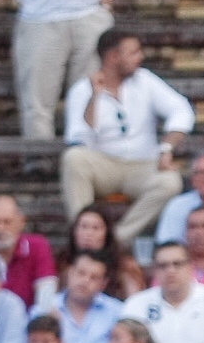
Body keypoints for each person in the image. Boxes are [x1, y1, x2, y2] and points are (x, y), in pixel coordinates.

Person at [61, 28, 194, 245]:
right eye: (133, 52)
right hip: (103, 165)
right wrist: (95, 98)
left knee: (170, 182)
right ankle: (84, 235)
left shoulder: (145, 80)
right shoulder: (82, 90)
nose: (140, 57)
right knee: (73, 158)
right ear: (113, 56)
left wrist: (167, 148)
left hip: (141, 165)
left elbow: (182, 110)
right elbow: (79, 139)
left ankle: (115, 240)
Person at [11, 0, 114, 141]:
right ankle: (39, 154)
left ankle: (86, 151)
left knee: (91, 95)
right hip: (38, 17)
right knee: (36, 103)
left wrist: (105, 5)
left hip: (90, 13)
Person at [52, 249, 122, 343]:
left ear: (103, 284)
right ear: (70, 272)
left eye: (94, 277)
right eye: (81, 273)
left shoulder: (116, 312)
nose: (85, 281)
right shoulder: (46, 309)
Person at [60, 204, 144, 299]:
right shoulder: (64, 262)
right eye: (84, 227)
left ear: (106, 234)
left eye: (96, 228)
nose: (88, 234)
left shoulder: (124, 265)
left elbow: (135, 301)